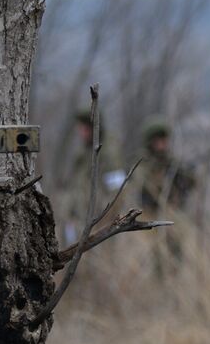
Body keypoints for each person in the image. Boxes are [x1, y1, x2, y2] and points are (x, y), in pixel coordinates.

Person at [137, 117, 196, 268]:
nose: (162, 144)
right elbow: (139, 183)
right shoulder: (142, 163)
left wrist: (184, 173)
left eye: (164, 140)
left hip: (171, 213)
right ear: (150, 141)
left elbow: (191, 183)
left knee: (175, 250)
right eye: (158, 140)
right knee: (154, 254)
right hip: (150, 215)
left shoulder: (172, 162)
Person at [62, 106, 125, 246]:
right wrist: (70, 214)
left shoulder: (108, 153)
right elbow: (73, 186)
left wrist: (104, 219)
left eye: (85, 128)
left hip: (99, 223)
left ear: (95, 128)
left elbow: (117, 191)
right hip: (80, 220)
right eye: (80, 128)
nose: (82, 133)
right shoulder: (82, 153)